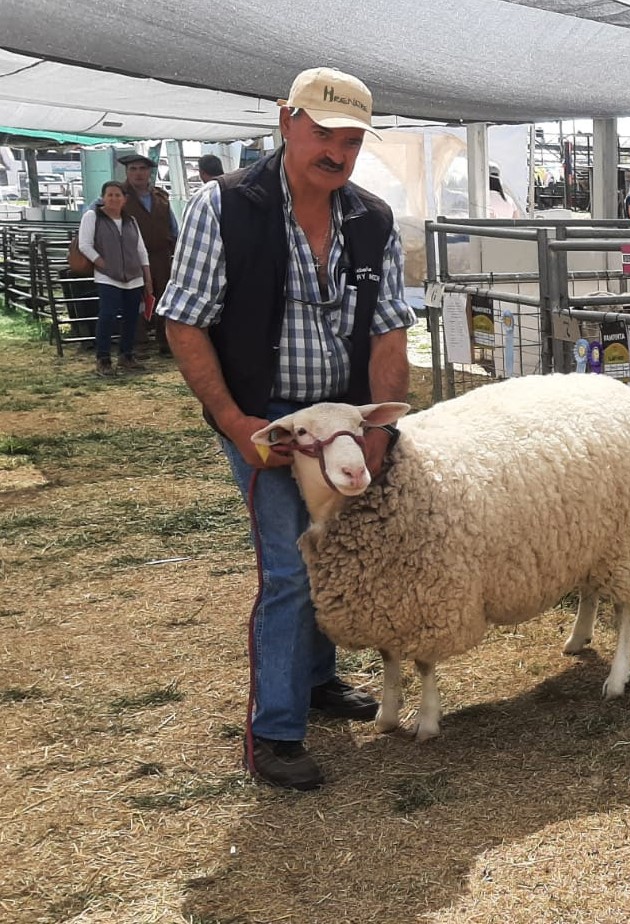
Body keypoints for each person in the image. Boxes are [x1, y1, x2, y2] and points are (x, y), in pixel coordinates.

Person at [157, 66, 416, 791]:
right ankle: (273, 732)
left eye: (351, 139)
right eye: (323, 132)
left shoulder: (370, 219)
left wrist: (377, 429)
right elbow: (183, 319)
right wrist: (236, 421)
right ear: (286, 120)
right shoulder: (227, 206)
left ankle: (314, 681)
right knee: (286, 567)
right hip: (267, 422)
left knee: (326, 553)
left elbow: (390, 333)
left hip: (340, 417)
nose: (336, 150)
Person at [78, 180, 153, 376]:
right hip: (107, 277)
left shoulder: (131, 221)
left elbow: (141, 249)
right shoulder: (92, 217)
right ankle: (103, 358)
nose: (113, 198)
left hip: (133, 276)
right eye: (109, 195)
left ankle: (126, 355)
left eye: (117, 195)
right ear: (103, 198)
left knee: (131, 318)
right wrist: (100, 262)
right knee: (108, 315)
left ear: (124, 199)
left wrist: (147, 276)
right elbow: (84, 244)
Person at [118, 152, 179, 353]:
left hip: (160, 255)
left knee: (164, 296)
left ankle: (165, 341)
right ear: (126, 172)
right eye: (133, 169)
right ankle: (138, 343)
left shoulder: (161, 197)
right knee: (135, 298)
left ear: (149, 172)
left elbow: (173, 227)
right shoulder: (117, 196)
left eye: (142, 169)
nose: (138, 174)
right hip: (130, 257)